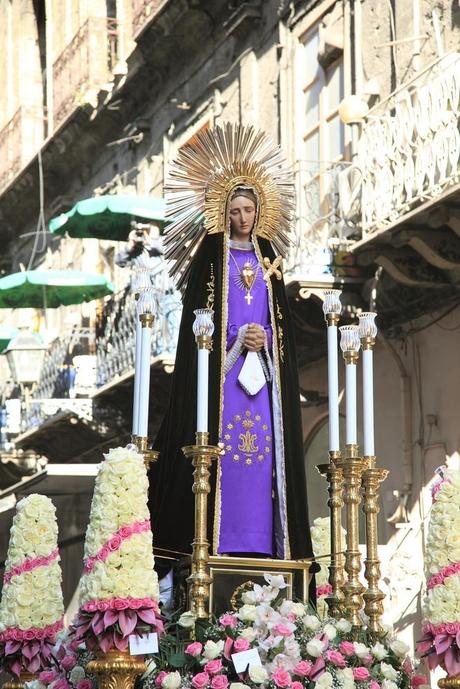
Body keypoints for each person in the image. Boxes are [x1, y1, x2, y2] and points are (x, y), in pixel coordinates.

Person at [148, 123, 316, 575]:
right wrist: (235, 339)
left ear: (260, 210)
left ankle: (263, 544)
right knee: (223, 455)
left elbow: (279, 322)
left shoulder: (268, 261)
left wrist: (264, 336)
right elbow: (199, 323)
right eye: (235, 210)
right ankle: (218, 540)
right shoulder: (211, 257)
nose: (243, 218)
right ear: (224, 213)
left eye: (249, 209)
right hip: (222, 379)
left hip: (261, 378)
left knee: (261, 459)